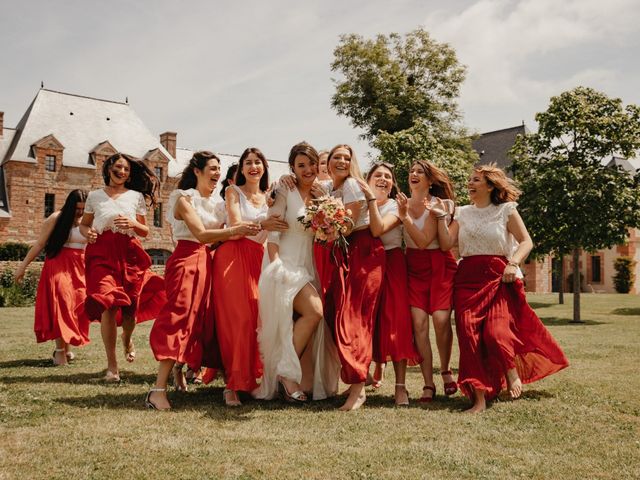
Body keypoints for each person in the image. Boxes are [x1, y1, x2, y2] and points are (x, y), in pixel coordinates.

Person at [432, 163, 569, 413]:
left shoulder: (507, 210)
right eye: (469, 179)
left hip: (499, 277)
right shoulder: (462, 213)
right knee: (469, 336)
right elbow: (445, 244)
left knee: (495, 333)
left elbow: (526, 241)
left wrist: (513, 263)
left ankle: (510, 371)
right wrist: (442, 217)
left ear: (490, 185)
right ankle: (480, 399)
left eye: (475, 180)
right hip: (467, 279)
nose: (469, 184)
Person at [145, 151, 260, 410]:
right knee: (179, 317)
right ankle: (156, 390)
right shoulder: (183, 198)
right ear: (197, 171)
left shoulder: (218, 204)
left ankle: (180, 371)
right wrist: (235, 230)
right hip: (186, 260)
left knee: (202, 321)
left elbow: (228, 232)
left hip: (209, 263)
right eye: (212, 167)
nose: (217, 172)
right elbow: (202, 234)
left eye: (220, 168)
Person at [255, 142, 340, 403]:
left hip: (308, 266)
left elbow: (330, 233)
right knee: (314, 311)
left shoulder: (321, 194)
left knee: (303, 320)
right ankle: (285, 374)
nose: (308, 169)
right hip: (285, 264)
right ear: (292, 168)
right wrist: (276, 265)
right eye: (301, 165)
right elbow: (274, 230)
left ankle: (298, 379)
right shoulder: (284, 189)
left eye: (312, 164)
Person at [80, 152, 166, 382]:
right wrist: (87, 233)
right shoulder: (94, 196)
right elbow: (84, 225)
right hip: (101, 252)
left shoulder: (136, 196)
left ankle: (127, 339)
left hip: (129, 253)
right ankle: (112, 367)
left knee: (129, 313)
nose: (122, 172)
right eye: (118, 167)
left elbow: (145, 231)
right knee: (107, 303)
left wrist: (133, 223)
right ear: (108, 168)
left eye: (126, 169)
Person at [212, 147, 288, 406]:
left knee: (259, 318)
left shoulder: (270, 197)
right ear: (241, 169)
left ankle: (254, 380)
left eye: (258, 162)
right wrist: (264, 225)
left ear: (265, 167)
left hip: (260, 258)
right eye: (248, 163)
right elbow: (235, 226)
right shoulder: (233, 192)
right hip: (233, 257)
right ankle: (231, 385)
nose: (253, 167)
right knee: (238, 320)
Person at [321, 144, 385, 411]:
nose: (342, 162)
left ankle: (358, 390)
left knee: (354, 318)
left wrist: (327, 231)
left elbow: (348, 224)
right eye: (337, 157)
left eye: (347, 158)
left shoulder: (351, 185)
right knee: (335, 312)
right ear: (328, 163)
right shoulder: (329, 189)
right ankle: (359, 374)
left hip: (363, 251)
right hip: (342, 252)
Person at [358, 163, 421, 406]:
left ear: (393, 183)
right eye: (378, 175)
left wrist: (372, 200)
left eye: (387, 176)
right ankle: (360, 379)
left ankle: (400, 387)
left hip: (392, 263)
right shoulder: (360, 204)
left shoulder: (396, 206)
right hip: (366, 263)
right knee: (365, 322)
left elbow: (377, 229)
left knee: (396, 323)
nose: (383, 179)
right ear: (368, 178)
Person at [396, 160, 458, 402]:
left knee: (442, 320)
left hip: (439, 265)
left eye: (420, 172)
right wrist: (401, 213)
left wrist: (405, 219)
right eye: (411, 171)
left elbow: (423, 241)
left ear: (430, 180)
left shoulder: (439, 205)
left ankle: (445, 370)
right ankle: (428, 384)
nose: (413, 174)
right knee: (419, 324)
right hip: (412, 267)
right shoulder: (400, 204)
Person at [14, 189, 90, 365]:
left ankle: (68, 346)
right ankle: (60, 351)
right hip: (57, 265)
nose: (80, 212)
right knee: (62, 303)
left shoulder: (88, 221)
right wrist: (22, 266)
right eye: (77, 208)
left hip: (80, 268)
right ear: (70, 206)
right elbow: (40, 244)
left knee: (76, 306)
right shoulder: (56, 218)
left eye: (83, 208)